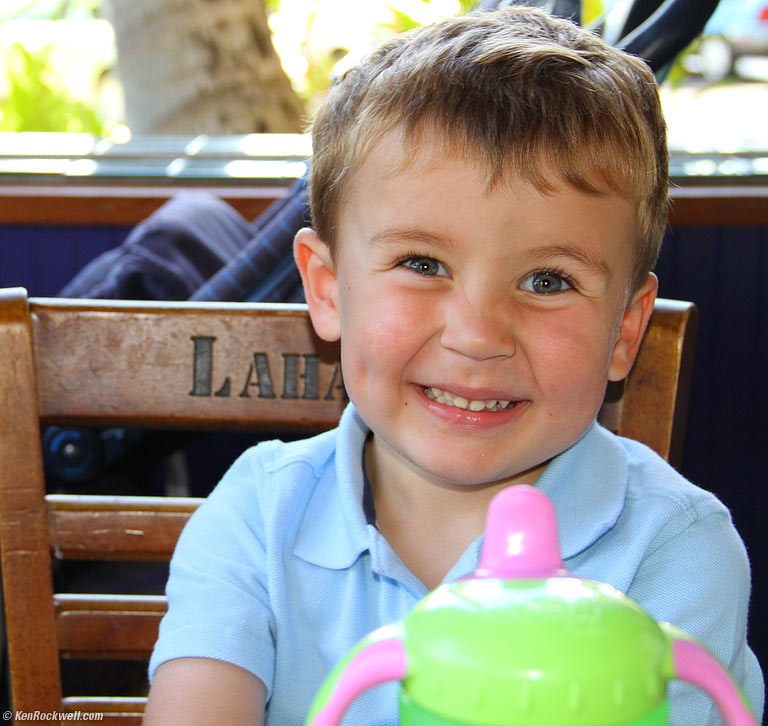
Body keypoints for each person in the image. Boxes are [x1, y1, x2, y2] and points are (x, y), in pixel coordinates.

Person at [143, 7, 764, 725]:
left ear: (625, 328)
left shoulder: (674, 551)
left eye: (547, 281)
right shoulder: (257, 515)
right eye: (422, 263)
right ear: (328, 288)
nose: (476, 335)